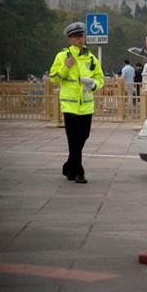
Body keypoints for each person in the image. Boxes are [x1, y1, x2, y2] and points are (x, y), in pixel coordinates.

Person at [49, 22, 104, 184]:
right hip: (70, 105)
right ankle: (79, 171)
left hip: (86, 105)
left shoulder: (91, 57)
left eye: (82, 36)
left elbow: (100, 79)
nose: (80, 39)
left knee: (83, 136)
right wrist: (66, 67)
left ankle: (69, 166)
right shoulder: (62, 57)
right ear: (70, 39)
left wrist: (93, 84)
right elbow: (53, 78)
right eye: (76, 37)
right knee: (73, 138)